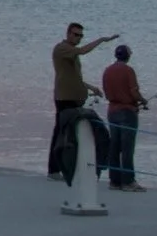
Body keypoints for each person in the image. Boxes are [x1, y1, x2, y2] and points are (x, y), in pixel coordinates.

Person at [49, 22, 120, 174]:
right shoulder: (63, 48)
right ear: (68, 33)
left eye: (81, 36)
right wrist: (101, 40)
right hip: (64, 99)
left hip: (75, 99)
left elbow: (74, 77)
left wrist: (90, 87)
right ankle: (54, 170)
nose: (78, 38)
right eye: (76, 34)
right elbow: (82, 51)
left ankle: (68, 168)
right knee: (61, 134)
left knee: (72, 134)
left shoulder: (71, 52)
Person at [102, 44, 149, 190]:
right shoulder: (128, 71)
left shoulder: (107, 71)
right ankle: (128, 181)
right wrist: (143, 100)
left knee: (114, 147)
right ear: (128, 56)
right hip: (127, 112)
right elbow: (133, 92)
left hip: (112, 111)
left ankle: (114, 181)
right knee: (127, 148)